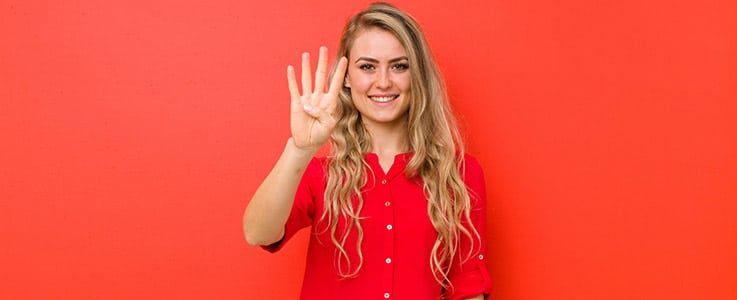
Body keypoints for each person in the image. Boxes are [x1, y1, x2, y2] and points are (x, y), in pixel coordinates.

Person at [243, 2, 492, 299]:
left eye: (399, 66)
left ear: (418, 76)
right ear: (347, 77)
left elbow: (467, 285)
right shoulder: (320, 175)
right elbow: (258, 233)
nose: (383, 82)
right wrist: (300, 149)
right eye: (367, 66)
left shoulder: (460, 174)